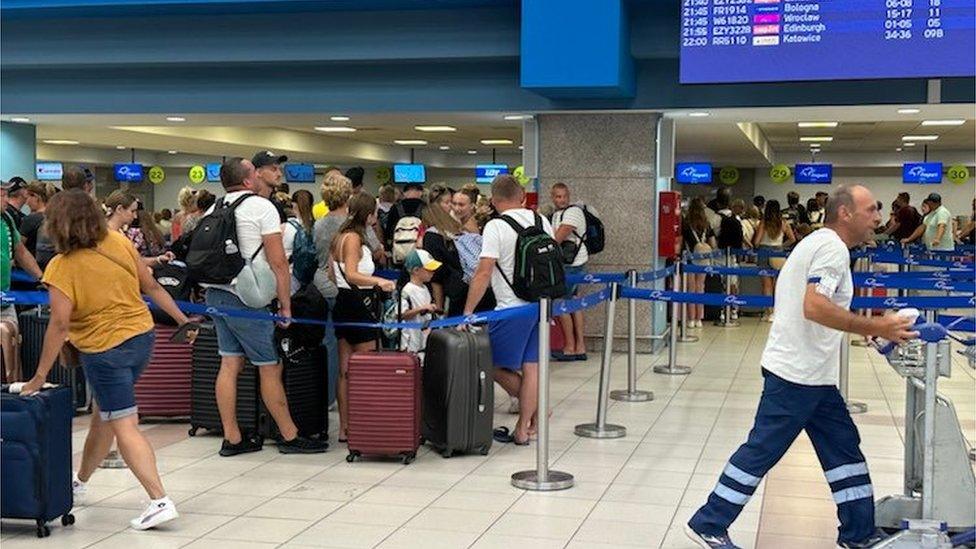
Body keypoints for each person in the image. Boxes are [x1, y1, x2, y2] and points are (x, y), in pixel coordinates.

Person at [685, 185, 915, 549]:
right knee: (762, 449)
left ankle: (858, 531)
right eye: (871, 210)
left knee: (843, 448)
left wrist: (869, 331)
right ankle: (709, 521)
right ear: (845, 214)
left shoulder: (819, 244)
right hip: (797, 375)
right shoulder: (831, 249)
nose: (877, 217)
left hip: (813, 375)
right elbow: (815, 306)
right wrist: (876, 325)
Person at [19, 189, 200, 531]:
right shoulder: (118, 243)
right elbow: (154, 287)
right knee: (107, 414)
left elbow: (59, 325)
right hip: (141, 340)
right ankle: (80, 482)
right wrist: (182, 321)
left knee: (124, 424)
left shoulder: (61, 266)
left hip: (105, 351)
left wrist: (39, 375)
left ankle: (159, 500)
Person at [202, 157, 327, 456]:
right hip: (250, 297)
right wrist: (285, 305)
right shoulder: (261, 208)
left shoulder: (215, 206)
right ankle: (289, 435)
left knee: (230, 364)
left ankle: (232, 437)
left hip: (217, 294)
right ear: (249, 179)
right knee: (270, 365)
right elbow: (278, 262)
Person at [462, 174, 554, 446]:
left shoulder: (495, 226)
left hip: (511, 309)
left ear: (493, 200)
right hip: (541, 305)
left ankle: (536, 412)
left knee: (491, 364)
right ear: (522, 197)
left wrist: (469, 310)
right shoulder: (541, 220)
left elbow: (483, 271)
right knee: (532, 368)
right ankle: (524, 427)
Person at [330, 192, 396, 442]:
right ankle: (364, 423)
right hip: (360, 304)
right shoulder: (354, 239)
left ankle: (346, 427)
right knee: (365, 368)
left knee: (345, 370)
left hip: (343, 303)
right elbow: (353, 274)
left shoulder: (339, 236)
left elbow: (330, 273)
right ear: (369, 215)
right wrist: (380, 281)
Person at [312, 174, 354, 407]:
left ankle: (327, 397)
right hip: (346, 287)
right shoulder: (351, 224)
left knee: (327, 344)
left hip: (321, 286)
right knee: (350, 344)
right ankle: (350, 393)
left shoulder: (319, 224)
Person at [1, 181, 45, 382]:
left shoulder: (7, 219)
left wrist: (41, 277)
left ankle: (11, 396)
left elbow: (20, 251)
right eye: (1, 195)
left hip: (5, 298)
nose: (5, 200)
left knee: (12, 346)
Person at [549, 182, 590, 360]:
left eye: (564, 196)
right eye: (558, 196)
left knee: (561, 303)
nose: (562, 199)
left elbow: (557, 238)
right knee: (574, 301)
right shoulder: (557, 215)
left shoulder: (573, 212)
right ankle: (579, 346)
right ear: (553, 197)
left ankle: (570, 346)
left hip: (572, 264)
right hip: (569, 263)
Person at [421, 190, 467, 316]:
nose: (452, 206)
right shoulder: (453, 230)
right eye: (448, 202)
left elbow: (436, 271)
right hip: (462, 286)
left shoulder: (434, 234)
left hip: (453, 289)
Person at [753, 199, 796, 322]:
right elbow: (792, 239)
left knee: (766, 284)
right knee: (777, 284)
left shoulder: (764, 223)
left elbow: (756, 242)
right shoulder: (783, 222)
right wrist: (781, 246)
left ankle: (769, 312)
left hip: (764, 253)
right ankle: (777, 312)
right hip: (778, 253)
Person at [104, 191, 173, 268]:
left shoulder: (120, 232)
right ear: (119, 209)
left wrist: (158, 259)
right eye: (132, 211)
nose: (135, 216)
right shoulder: (106, 235)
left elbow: (133, 260)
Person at [398, 249, 440, 357]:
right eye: (429, 270)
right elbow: (402, 314)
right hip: (411, 342)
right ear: (416, 270)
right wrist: (421, 309)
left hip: (424, 339)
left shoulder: (425, 288)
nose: (433, 273)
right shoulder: (407, 290)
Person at [683, 197, 717, 328]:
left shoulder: (686, 224)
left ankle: (691, 319)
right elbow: (713, 244)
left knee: (691, 289)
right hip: (704, 259)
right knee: (700, 288)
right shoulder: (707, 224)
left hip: (690, 258)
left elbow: (681, 243)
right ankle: (699, 319)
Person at [383, 182, 426, 247]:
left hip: (399, 246)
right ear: (421, 193)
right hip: (420, 245)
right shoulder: (426, 207)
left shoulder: (395, 208)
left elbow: (388, 230)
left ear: (404, 193)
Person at [252, 150, 289, 222]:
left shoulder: (277, 207)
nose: (279, 174)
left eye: (279, 169)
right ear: (258, 172)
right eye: (273, 169)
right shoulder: (248, 204)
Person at [19, 182, 51, 258]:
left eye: (28, 198)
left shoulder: (30, 220)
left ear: (36, 197)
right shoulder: (56, 217)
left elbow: (18, 246)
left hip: (33, 264)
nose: (26, 203)